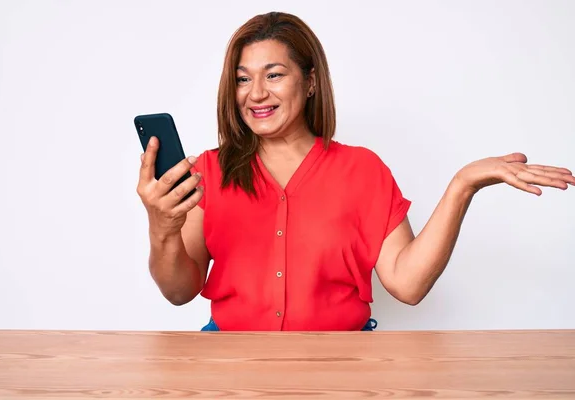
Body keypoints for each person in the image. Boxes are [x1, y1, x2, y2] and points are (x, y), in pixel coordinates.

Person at [136, 11, 574, 331]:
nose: (256, 94)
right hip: (230, 364)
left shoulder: (362, 170)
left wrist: (463, 185)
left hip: (343, 364)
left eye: (273, 75)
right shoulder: (208, 172)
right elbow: (178, 291)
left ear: (309, 82)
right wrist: (162, 227)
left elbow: (407, 284)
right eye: (242, 78)